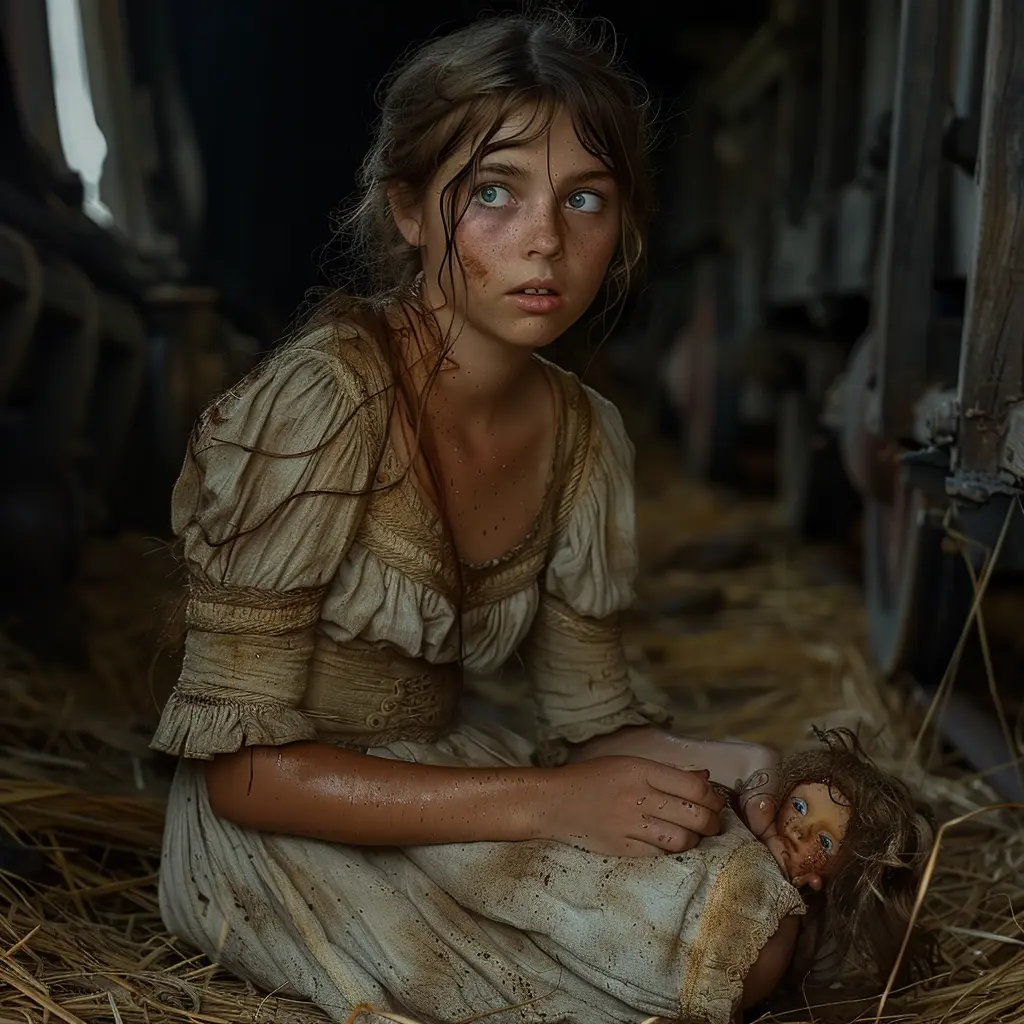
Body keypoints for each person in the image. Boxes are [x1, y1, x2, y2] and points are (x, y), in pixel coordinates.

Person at [149, 12, 924, 1023]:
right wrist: (554, 806)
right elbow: (241, 776)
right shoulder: (320, 408)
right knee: (735, 954)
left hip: (457, 774)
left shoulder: (583, 435)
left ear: (624, 227)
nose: (545, 240)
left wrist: (751, 771)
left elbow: (593, 727)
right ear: (411, 211)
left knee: (759, 912)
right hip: (288, 823)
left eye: (585, 199)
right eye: (493, 193)